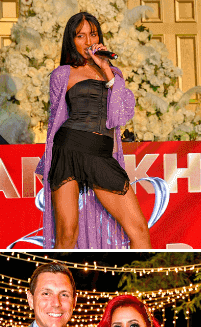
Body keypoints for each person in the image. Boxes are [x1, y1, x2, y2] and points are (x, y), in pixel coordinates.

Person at [36, 12, 151, 249]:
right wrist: (47, 160)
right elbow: (55, 121)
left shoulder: (113, 74)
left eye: (93, 34)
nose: (88, 41)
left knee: (139, 230)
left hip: (101, 155)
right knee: (67, 233)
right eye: (81, 36)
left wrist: (106, 69)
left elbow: (122, 114)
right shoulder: (62, 74)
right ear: (72, 40)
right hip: (69, 148)